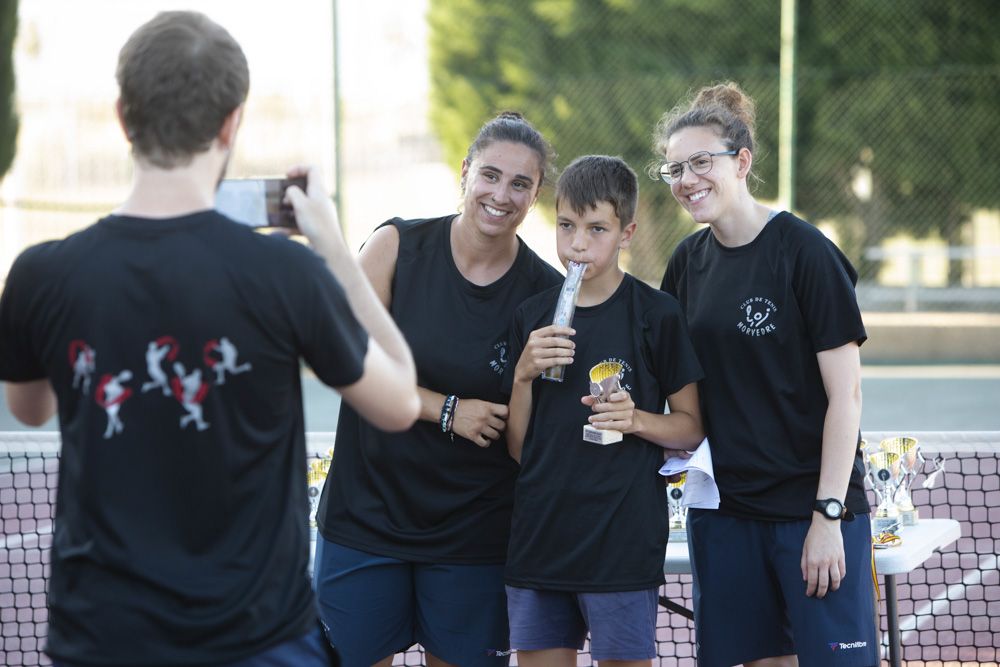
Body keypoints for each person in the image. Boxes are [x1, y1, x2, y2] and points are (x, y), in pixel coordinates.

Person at [0, 11, 419, 667]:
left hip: (101, 637)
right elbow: (398, 400)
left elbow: (30, 407)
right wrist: (334, 247)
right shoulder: (288, 274)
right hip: (257, 641)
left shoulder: (41, 273)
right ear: (232, 122)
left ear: (122, 116)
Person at [312, 112, 564, 667]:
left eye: (520, 183)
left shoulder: (544, 293)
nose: (502, 194)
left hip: (474, 538)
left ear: (536, 193)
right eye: (491, 175)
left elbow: (534, 433)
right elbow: (345, 358)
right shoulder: (395, 246)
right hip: (366, 522)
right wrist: (448, 410)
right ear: (465, 172)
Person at [653, 81, 877, 667]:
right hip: (724, 516)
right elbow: (676, 389)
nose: (686, 180)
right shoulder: (686, 263)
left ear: (742, 162)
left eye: (701, 162)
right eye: (674, 168)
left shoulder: (805, 253)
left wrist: (827, 515)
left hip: (811, 512)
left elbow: (846, 397)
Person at [503, 155, 705, 667]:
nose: (577, 243)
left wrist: (635, 419)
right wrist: (523, 375)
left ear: (626, 232)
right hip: (540, 542)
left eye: (597, 229)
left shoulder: (656, 315)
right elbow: (519, 448)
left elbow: (691, 428)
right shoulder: (532, 315)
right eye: (567, 226)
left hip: (621, 544)